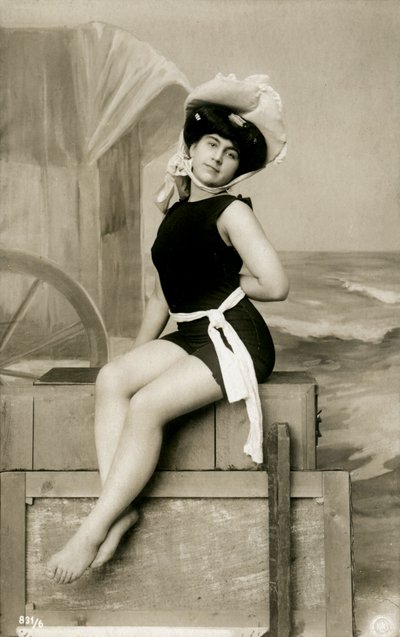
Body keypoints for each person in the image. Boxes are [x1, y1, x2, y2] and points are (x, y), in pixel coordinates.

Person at [46, 73, 289, 584]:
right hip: (193, 334)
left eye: (231, 153)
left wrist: (222, 280)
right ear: (192, 148)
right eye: (212, 144)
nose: (219, 157)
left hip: (235, 337)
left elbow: (275, 284)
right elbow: (161, 296)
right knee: (113, 380)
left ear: (238, 168)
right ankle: (119, 509)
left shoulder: (232, 212)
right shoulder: (176, 213)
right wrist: (132, 360)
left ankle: (93, 527)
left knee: (146, 407)